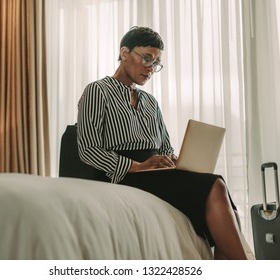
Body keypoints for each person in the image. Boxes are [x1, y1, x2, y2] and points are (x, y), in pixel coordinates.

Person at [77, 26, 248, 260]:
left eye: (156, 63)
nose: (150, 68)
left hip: (154, 173)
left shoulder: (150, 102)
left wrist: (174, 160)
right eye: (146, 58)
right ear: (125, 53)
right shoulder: (97, 91)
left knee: (220, 188)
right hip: (123, 175)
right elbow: (88, 149)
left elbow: (165, 147)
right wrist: (137, 166)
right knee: (215, 185)